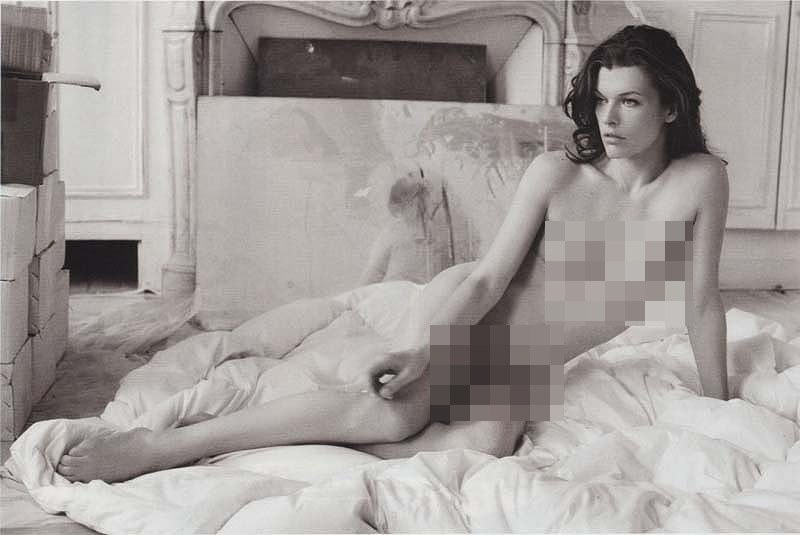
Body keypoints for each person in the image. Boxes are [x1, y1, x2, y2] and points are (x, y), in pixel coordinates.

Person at [56, 25, 728, 484]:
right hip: (470, 312)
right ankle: (164, 445)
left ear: (670, 107)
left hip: (524, 361)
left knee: (482, 448)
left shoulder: (700, 182)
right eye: (601, 100)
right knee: (396, 411)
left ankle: (300, 433)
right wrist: (425, 351)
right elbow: (487, 279)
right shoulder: (560, 175)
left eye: (629, 102)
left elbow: (701, 303)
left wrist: (723, 404)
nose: (607, 118)